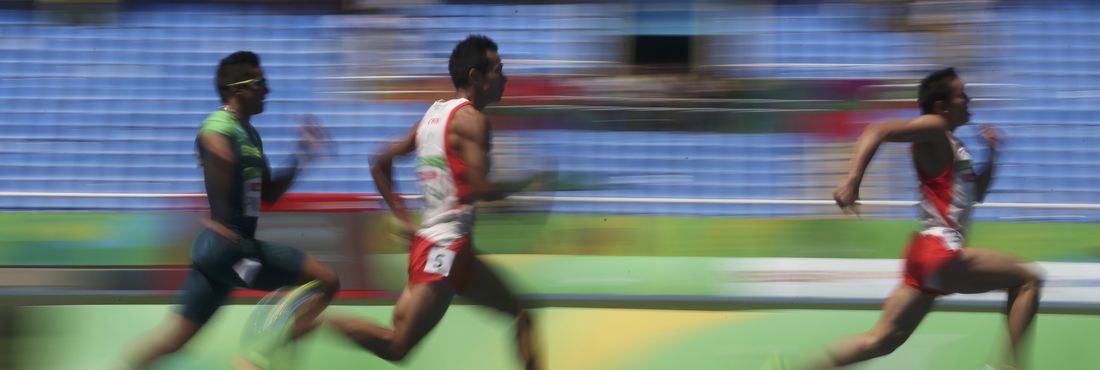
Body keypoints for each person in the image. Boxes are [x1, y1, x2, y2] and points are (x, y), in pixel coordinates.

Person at [326, 34, 539, 370]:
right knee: (397, 346)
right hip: (445, 252)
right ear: (475, 76)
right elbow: (481, 187)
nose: (505, 77)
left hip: (445, 246)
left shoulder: (433, 115)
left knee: (521, 315)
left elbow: (380, 161)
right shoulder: (474, 121)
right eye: (499, 69)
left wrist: (400, 216)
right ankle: (314, 323)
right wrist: (524, 184)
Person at [809, 67, 1042, 370]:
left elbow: (978, 193)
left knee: (881, 341)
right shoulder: (934, 127)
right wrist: (853, 180)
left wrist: (992, 157)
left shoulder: (955, 146)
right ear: (942, 106)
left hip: (925, 255)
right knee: (1028, 280)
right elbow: (877, 130)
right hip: (940, 252)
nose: (968, 99)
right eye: (962, 95)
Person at [125, 51, 340, 370]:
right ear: (238, 89)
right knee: (327, 280)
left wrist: (303, 155)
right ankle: (258, 357)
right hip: (231, 250)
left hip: (221, 254)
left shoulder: (250, 135)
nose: (267, 90)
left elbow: (269, 194)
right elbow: (210, 142)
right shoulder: (219, 126)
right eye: (260, 83)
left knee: (175, 340)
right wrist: (222, 162)